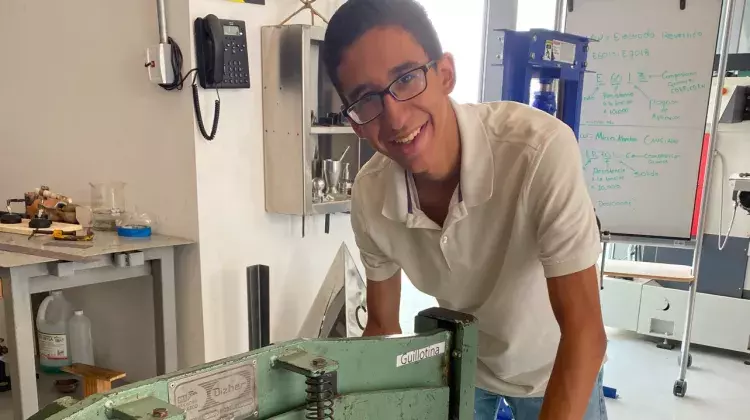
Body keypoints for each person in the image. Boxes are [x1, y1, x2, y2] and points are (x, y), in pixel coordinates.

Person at [322, 1, 608, 419]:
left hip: (558, 365)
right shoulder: (370, 196)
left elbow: (584, 334)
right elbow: (382, 327)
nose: (396, 117)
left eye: (406, 78)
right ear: (354, 122)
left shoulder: (539, 152)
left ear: (445, 74)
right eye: (366, 99)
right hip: (466, 366)